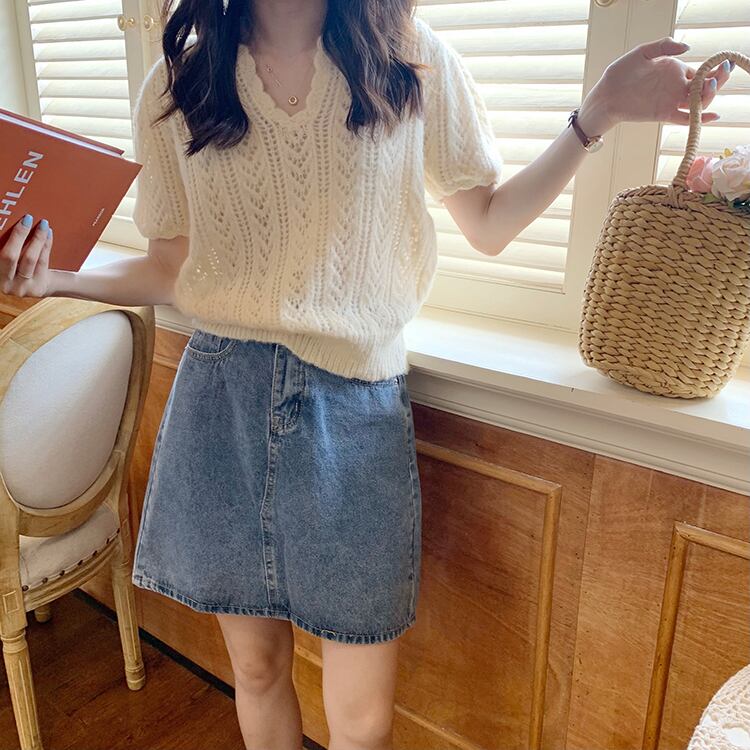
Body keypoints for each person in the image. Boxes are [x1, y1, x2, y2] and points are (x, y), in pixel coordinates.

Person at [0, 1, 731, 748]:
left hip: (353, 412)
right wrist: (54, 278)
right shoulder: (179, 82)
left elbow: (488, 222)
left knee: (361, 719)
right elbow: (167, 269)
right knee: (254, 670)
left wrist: (595, 117)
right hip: (220, 398)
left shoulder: (411, 58)